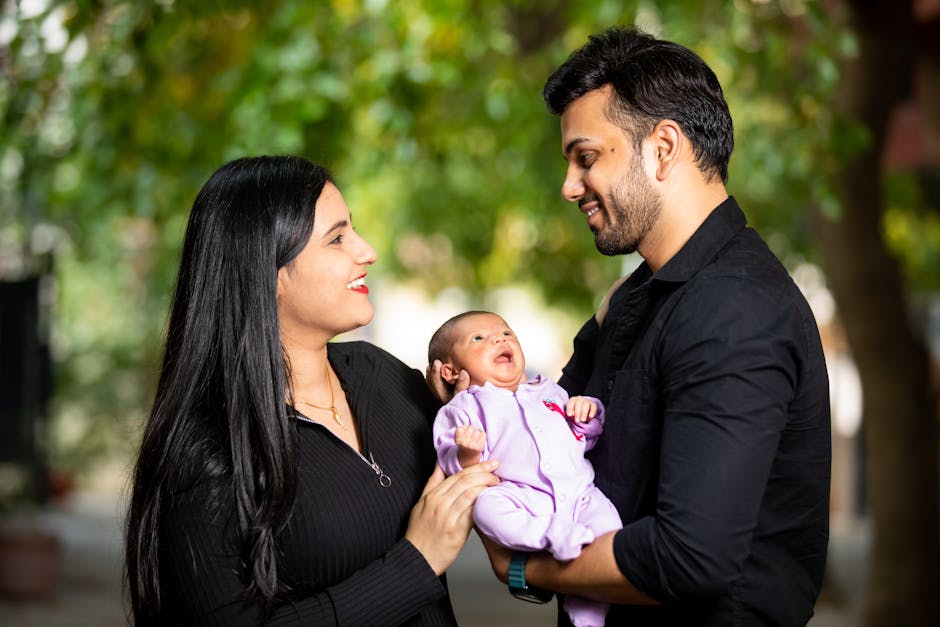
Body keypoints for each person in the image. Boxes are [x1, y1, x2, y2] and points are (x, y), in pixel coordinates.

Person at [432, 26, 831, 626]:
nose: (569, 187)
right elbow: (551, 429)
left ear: (663, 148)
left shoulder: (735, 312)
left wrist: (522, 568)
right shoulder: (641, 294)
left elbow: (690, 558)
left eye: (586, 158)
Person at [124, 156, 500, 626]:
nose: (366, 251)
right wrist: (416, 562)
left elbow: (520, 440)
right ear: (268, 272)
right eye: (337, 238)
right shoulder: (206, 451)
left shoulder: (382, 377)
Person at [428, 310, 622, 627]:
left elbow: (580, 442)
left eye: (506, 333)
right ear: (450, 371)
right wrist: (467, 450)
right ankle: (550, 536)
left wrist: (588, 417)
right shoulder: (465, 406)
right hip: (525, 499)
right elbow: (456, 466)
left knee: (611, 535)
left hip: (582, 495)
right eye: (479, 338)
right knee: (488, 509)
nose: (499, 339)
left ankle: (588, 606)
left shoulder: (549, 392)